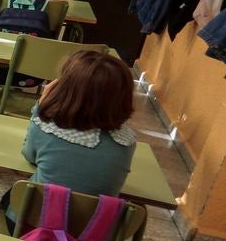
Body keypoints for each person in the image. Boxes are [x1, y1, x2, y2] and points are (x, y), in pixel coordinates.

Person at [16, 49, 137, 202]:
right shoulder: (126, 142)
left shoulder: (46, 129)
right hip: (93, 225)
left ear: (63, 89)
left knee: (10, 198)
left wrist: (40, 107)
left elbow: (29, 155)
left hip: (36, 220)